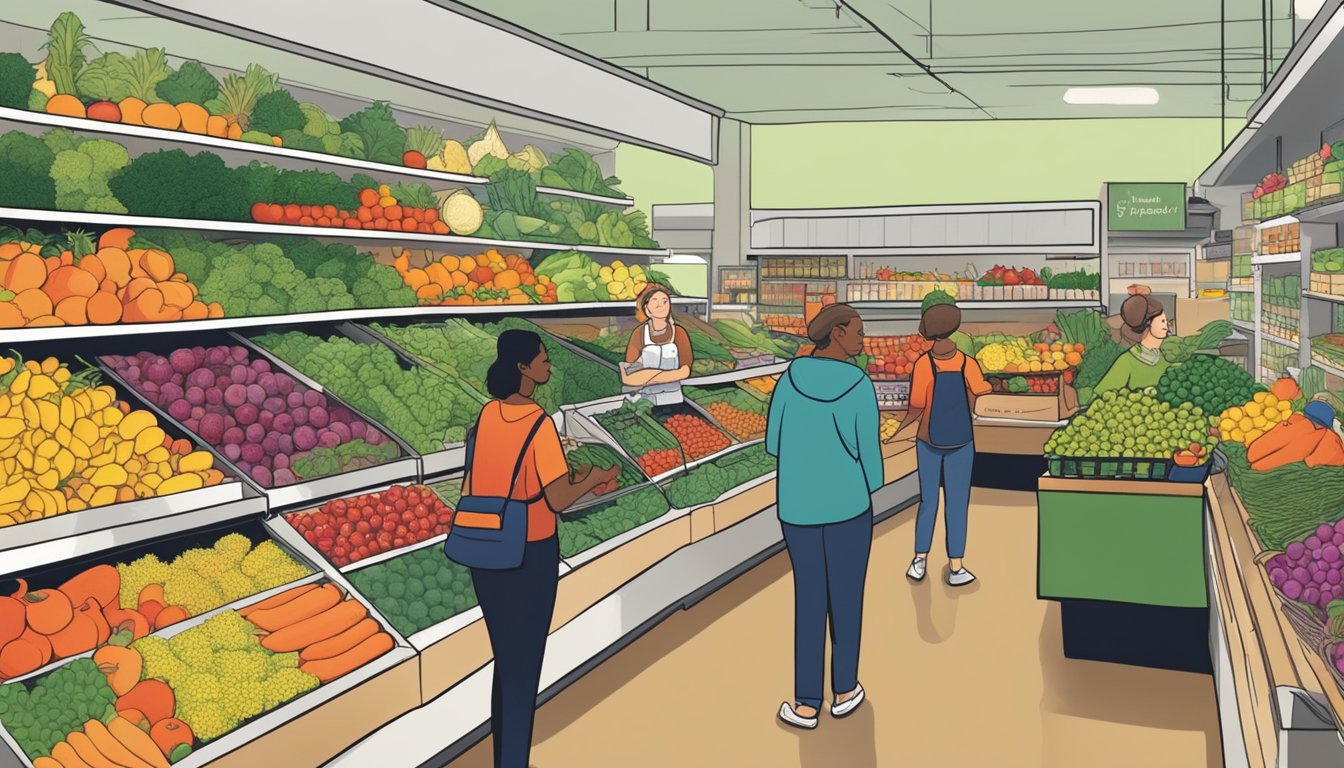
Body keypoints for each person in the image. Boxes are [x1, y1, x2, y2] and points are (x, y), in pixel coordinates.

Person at [467, 329, 620, 768]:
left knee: (506, 661)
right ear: (523, 368)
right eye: (543, 358)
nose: (549, 364)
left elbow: (472, 482)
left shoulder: (486, 415)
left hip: (484, 549)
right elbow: (557, 499)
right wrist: (593, 479)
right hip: (528, 552)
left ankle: (505, 758)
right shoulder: (539, 423)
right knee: (524, 666)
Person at [766, 303, 882, 730]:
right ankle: (846, 690)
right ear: (837, 334)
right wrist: (866, 482)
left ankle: (805, 704)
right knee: (847, 598)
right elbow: (870, 456)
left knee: (809, 598)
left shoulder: (789, 379)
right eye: (858, 333)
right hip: (848, 505)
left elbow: (774, 443)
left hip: (797, 506)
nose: (862, 340)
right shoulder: (858, 384)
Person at [893, 303, 991, 587]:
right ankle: (956, 566)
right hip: (962, 442)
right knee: (958, 504)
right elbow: (981, 390)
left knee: (928, 501)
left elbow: (916, 405)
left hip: (927, 441)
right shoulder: (967, 362)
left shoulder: (923, 364)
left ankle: (919, 559)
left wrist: (900, 428)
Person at [621, 285, 693, 406]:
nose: (661, 305)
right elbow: (630, 373)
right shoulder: (639, 333)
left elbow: (685, 371)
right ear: (647, 309)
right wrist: (668, 375)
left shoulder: (679, 333)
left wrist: (648, 377)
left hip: (673, 399)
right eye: (655, 301)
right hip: (642, 401)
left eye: (665, 301)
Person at [1095, 294, 1171, 394]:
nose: (1166, 324)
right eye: (1162, 320)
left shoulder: (1164, 358)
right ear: (1147, 323)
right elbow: (1101, 395)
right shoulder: (1126, 361)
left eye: (1166, 320)